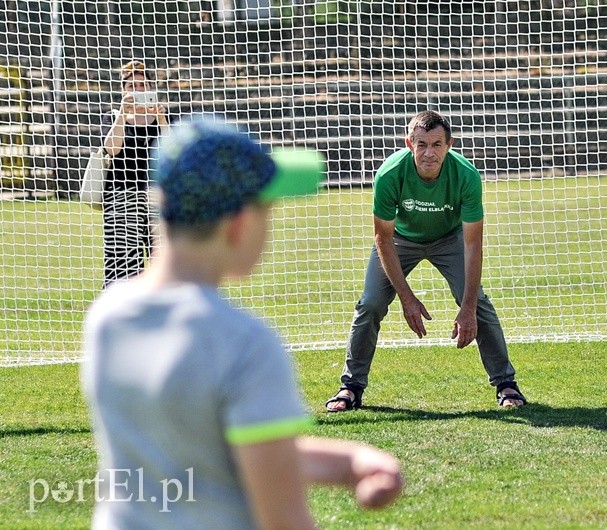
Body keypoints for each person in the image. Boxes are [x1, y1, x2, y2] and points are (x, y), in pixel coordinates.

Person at [81, 119, 404, 529]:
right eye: (266, 209)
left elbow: (206, 450)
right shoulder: (243, 343)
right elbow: (284, 519)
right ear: (237, 223)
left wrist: (347, 463)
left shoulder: (110, 316)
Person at [325, 110, 527, 412]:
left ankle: (506, 383)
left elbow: (473, 243)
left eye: (436, 144)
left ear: (449, 145)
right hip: (399, 241)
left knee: (478, 303)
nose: (429, 153)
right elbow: (382, 238)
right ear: (410, 144)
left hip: (450, 238)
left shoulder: (466, 176)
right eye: (421, 144)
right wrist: (407, 298)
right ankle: (350, 387)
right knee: (370, 303)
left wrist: (468, 308)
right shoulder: (390, 174)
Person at [98, 59, 170, 287]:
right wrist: (122, 114)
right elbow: (111, 148)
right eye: (131, 86)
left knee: (165, 259)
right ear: (123, 90)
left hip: (156, 198)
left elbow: (173, 150)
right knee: (123, 264)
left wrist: (160, 118)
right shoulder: (113, 117)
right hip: (122, 198)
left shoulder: (161, 118)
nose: (137, 90)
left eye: (142, 85)